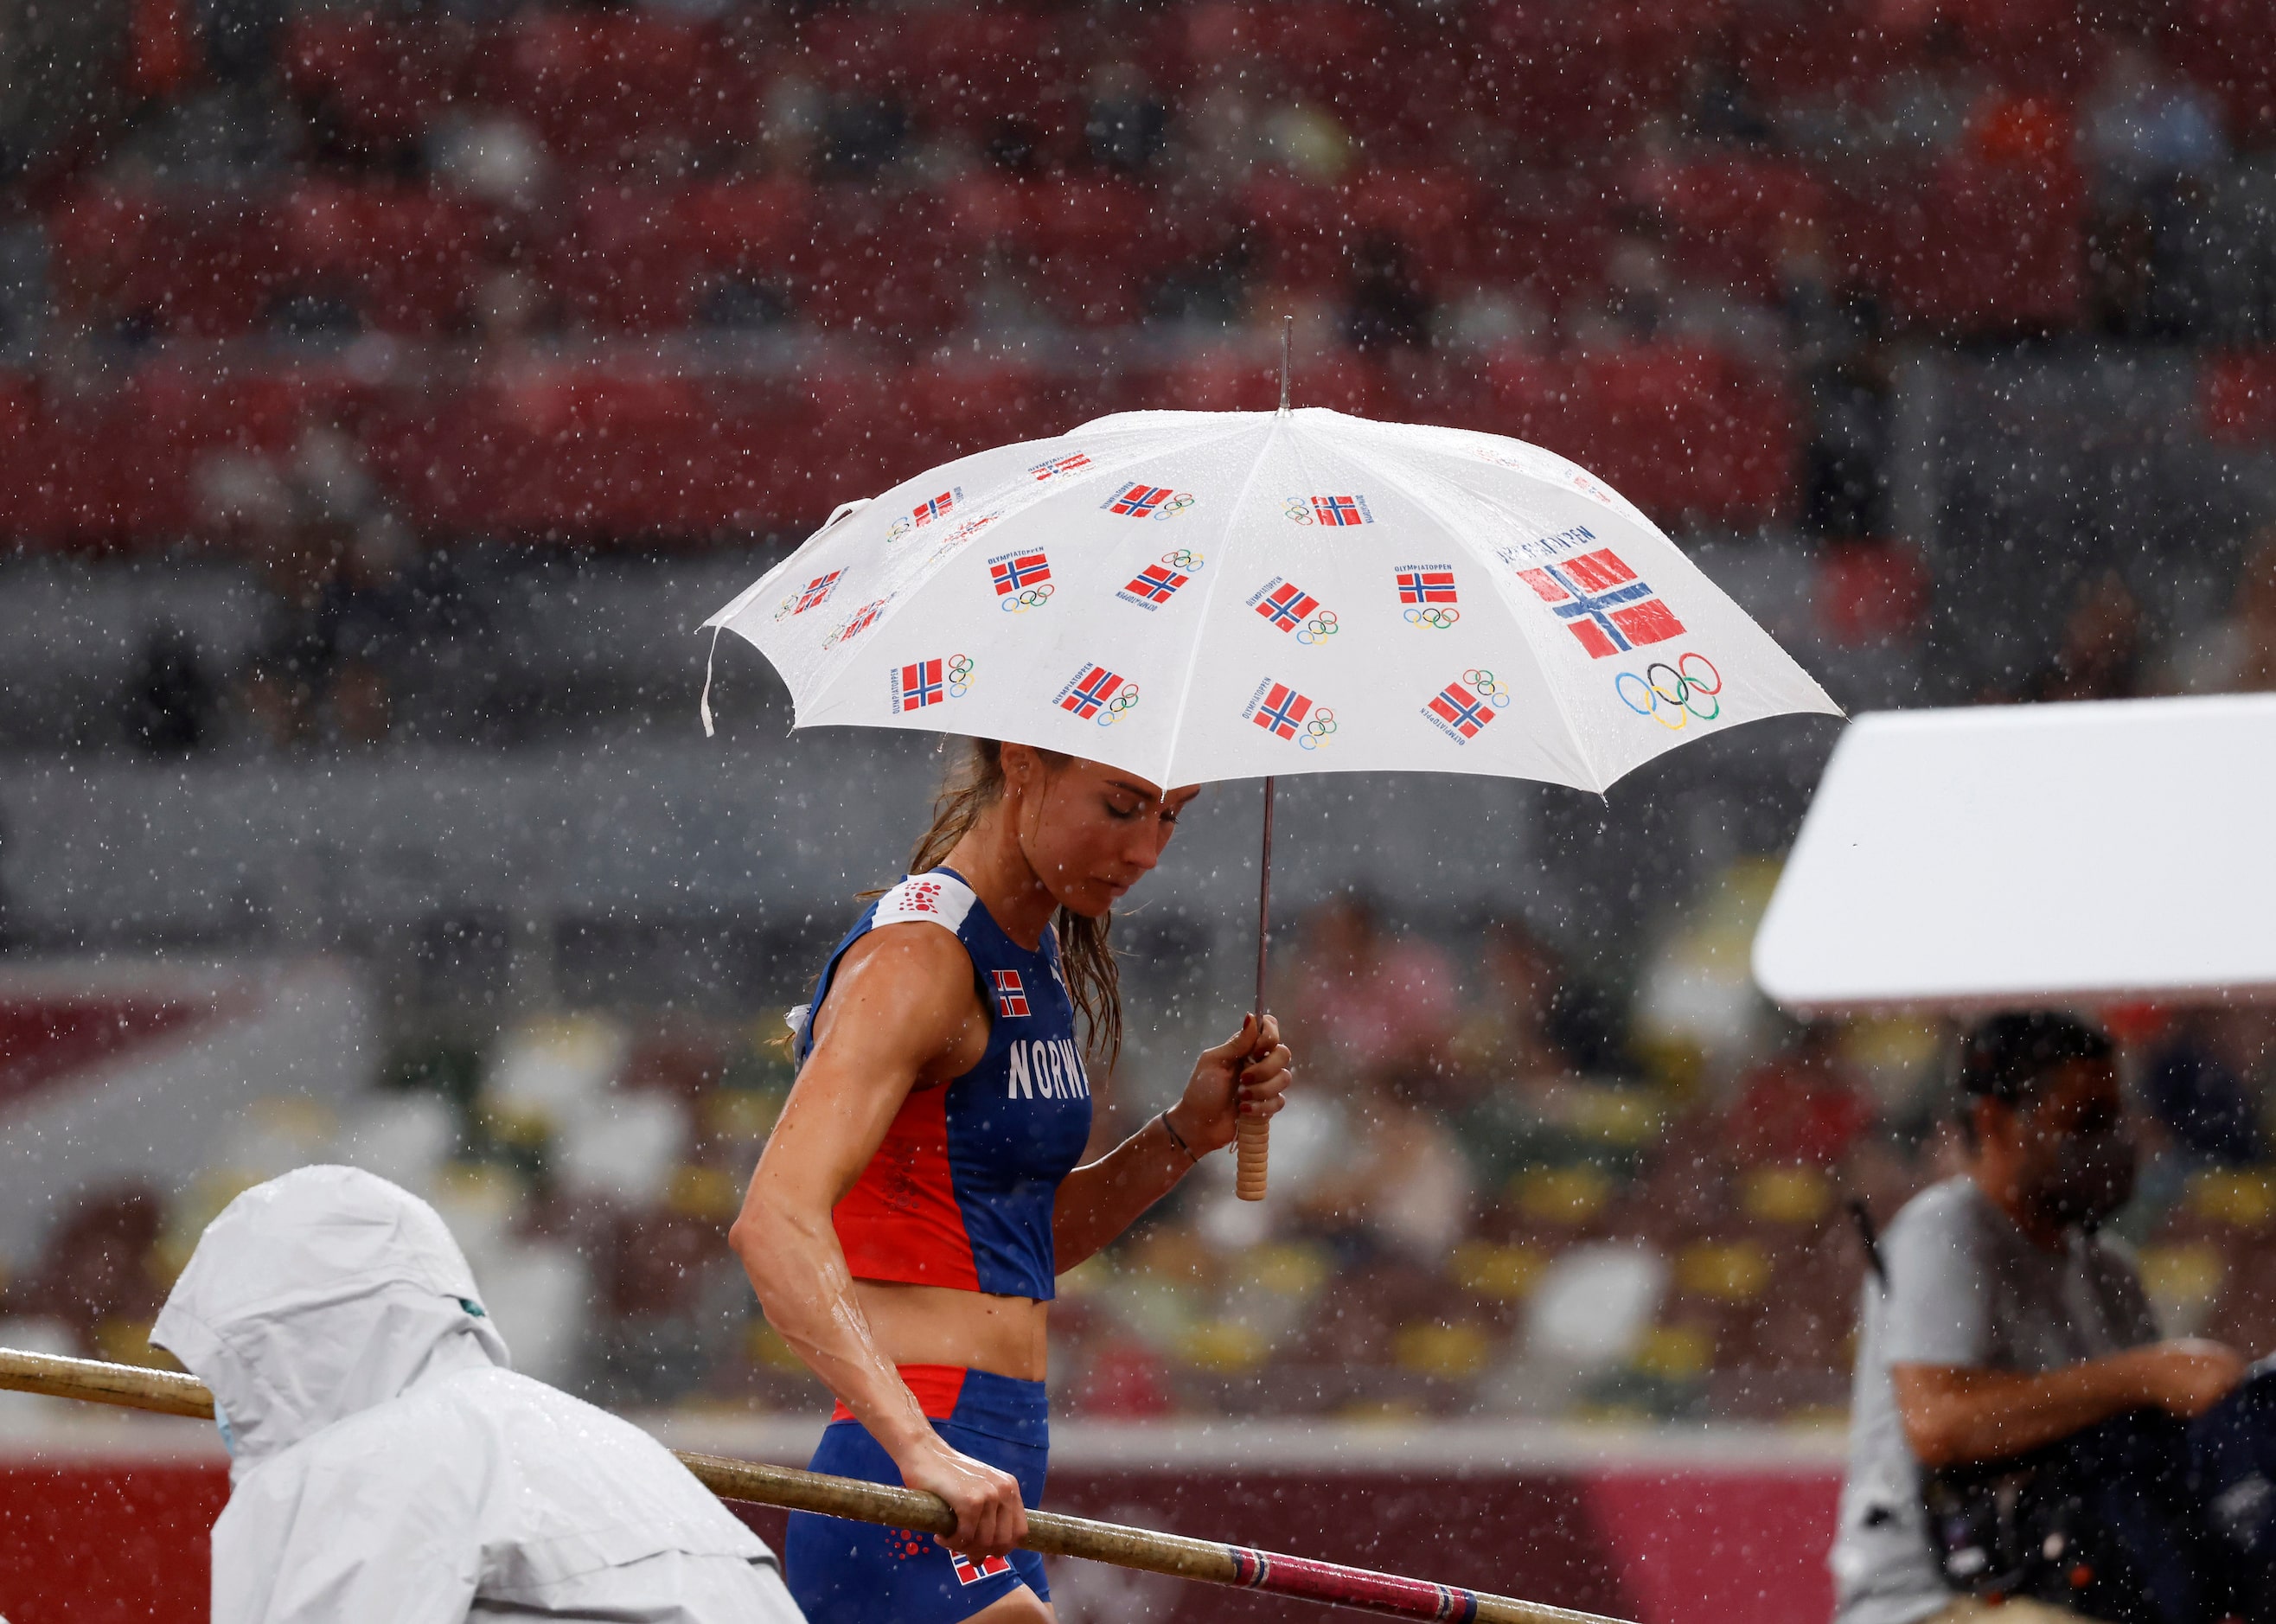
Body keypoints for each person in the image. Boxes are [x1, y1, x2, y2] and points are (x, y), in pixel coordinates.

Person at [729, 739, 1295, 1624]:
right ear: (1022, 763)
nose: (1148, 851)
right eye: (1121, 806)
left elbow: (1017, 1249)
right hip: (911, 1483)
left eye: (1171, 815)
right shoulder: (917, 958)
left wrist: (1185, 1136)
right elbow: (771, 1224)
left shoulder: (1028, 958)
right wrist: (919, 1448)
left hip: (990, 1473)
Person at [151, 1164, 801, 1624]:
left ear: (286, 1349)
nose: (226, 1409)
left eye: (233, 1371)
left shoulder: (351, 1468)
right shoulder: (602, 1443)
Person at [1832, 1013, 2247, 1624]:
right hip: (1934, 1598)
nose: (2113, 1141)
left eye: (2114, 1118)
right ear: (1996, 1123)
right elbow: (1940, 1421)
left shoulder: (2110, 1268)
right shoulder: (1946, 1233)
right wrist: (2144, 1375)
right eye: (2084, 1121)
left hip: (2087, 1584)